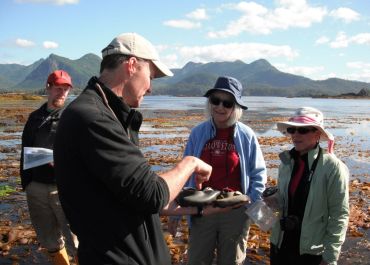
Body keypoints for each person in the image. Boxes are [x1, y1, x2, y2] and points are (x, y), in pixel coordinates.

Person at [53, 33, 212, 265]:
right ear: (132, 65)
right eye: (152, 76)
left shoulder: (108, 114)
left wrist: (195, 209)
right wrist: (190, 163)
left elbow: (129, 196)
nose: (150, 89)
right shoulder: (93, 118)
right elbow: (152, 194)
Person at [170, 76, 267, 265]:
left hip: (235, 211)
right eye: (215, 101)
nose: (220, 107)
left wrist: (251, 206)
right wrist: (177, 211)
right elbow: (184, 173)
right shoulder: (198, 133)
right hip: (202, 209)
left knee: (231, 261)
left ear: (235, 107)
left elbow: (258, 174)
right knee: (198, 259)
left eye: (227, 103)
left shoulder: (246, 135)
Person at [270, 107, 349, 265]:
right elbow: (286, 198)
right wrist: (274, 200)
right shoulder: (287, 162)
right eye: (292, 130)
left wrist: (330, 256)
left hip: (311, 250)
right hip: (281, 243)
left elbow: (339, 215)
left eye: (303, 130)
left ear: (317, 134)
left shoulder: (333, 167)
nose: (296, 135)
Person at [20, 70, 77, 265]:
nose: (61, 93)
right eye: (58, 89)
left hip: (64, 188)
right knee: (48, 238)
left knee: (75, 238)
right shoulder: (34, 118)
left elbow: (83, 154)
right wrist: (26, 183)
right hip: (36, 187)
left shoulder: (74, 118)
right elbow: (24, 151)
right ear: (48, 88)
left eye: (65, 90)